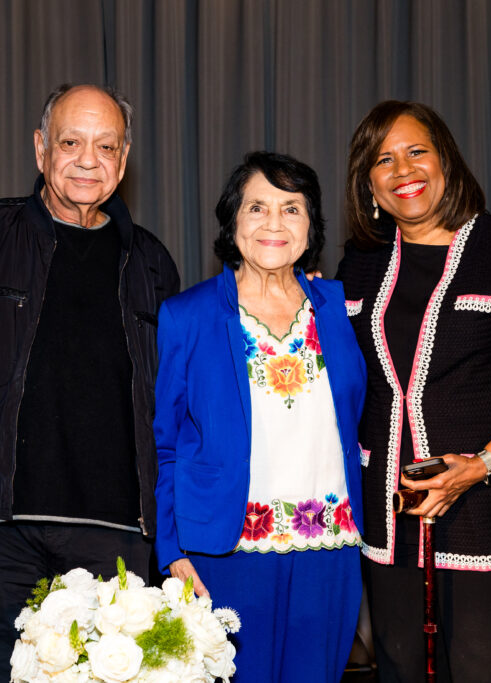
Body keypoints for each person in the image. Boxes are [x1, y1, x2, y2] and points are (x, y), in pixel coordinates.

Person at [336, 100, 491, 682]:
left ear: (446, 160)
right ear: (369, 184)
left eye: (416, 151)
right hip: (391, 518)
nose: (403, 169)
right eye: (383, 160)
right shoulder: (360, 264)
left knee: (486, 670)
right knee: (400, 669)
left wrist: (480, 464)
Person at [0, 84, 179, 681]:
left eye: (106, 146)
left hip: (115, 536)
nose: (87, 160)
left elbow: (177, 402)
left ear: (124, 161)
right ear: (41, 149)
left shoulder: (152, 262)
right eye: (71, 142)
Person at [154, 151, 367, 682]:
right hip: (224, 551)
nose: (274, 223)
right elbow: (161, 441)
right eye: (257, 207)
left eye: (291, 209)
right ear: (233, 221)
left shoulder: (340, 308)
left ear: (310, 226)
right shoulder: (187, 315)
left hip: (330, 547)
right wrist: (170, 548)